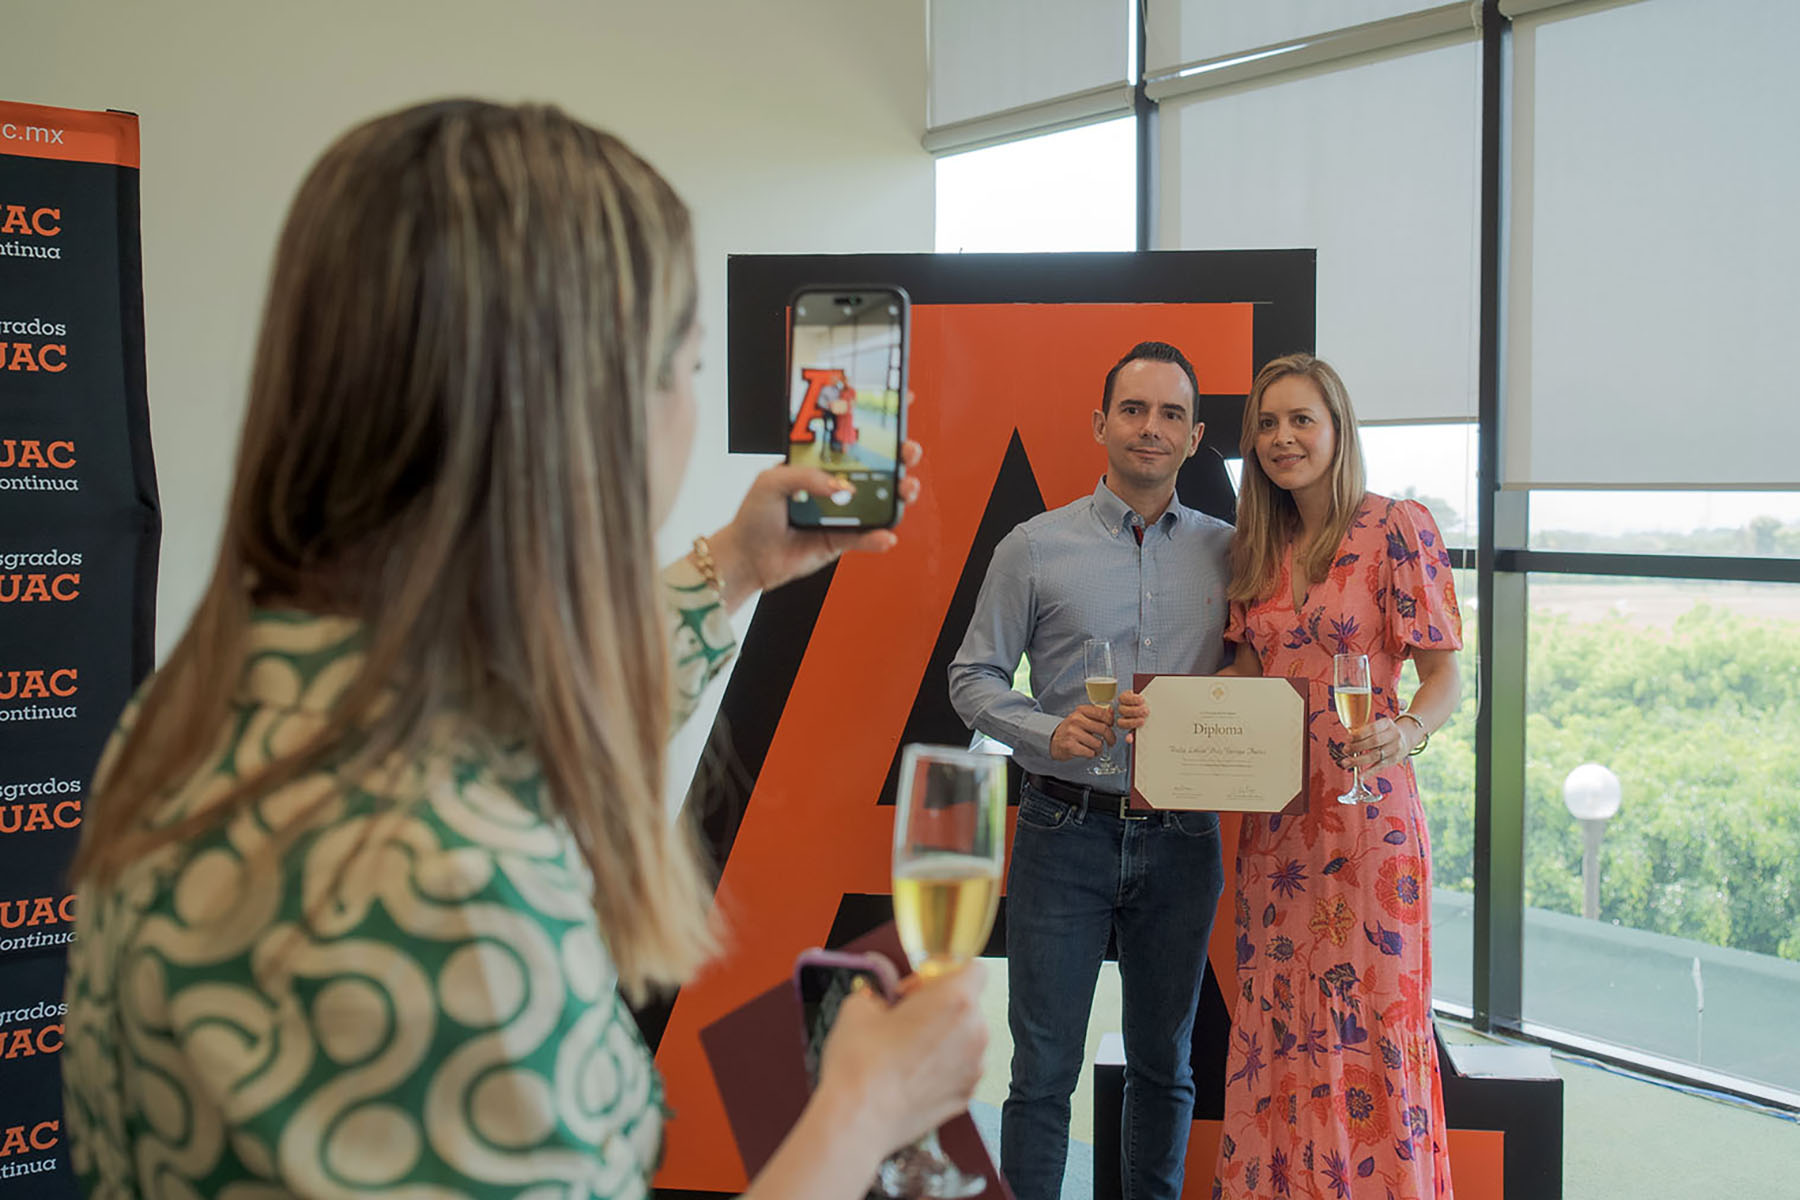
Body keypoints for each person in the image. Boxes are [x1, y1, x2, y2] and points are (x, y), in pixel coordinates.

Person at [60, 100, 985, 1200]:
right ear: (583, 410)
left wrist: (737, 564)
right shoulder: (441, 894)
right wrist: (863, 1110)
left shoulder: (223, 701)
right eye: (687, 367)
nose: (692, 408)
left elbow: (511, 719)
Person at [949, 341, 1230, 1200]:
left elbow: (1262, 669)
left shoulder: (1234, 552)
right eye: (1136, 410)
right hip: (1060, 829)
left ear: (1194, 436)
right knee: (1041, 1073)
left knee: (1166, 1066)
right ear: (1101, 423)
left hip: (1184, 836)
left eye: (1172, 414)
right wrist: (1041, 730)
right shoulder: (1033, 547)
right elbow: (972, 678)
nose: (1152, 428)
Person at [1206, 353, 1462, 1200]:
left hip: (1370, 826)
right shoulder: (1258, 548)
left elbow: (1446, 677)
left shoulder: (1399, 526)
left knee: (1371, 1031)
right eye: (1268, 425)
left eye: (1301, 420)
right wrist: (1169, 719)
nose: (1283, 439)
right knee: (1283, 1030)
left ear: (1338, 429)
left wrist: (1406, 732)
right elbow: (1245, 679)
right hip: (1278, 834)